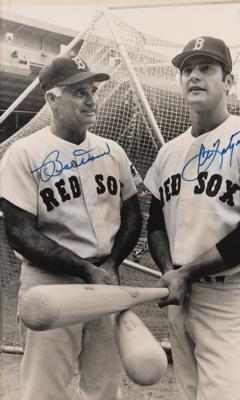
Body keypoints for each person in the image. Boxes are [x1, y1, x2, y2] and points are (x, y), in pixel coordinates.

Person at [144, 36, 240, 400]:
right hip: (181, 292)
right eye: (187, 69)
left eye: (207, 68)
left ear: (229, 81)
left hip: (232, 297)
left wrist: (185, 272)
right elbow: (156, 223)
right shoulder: (169, 152)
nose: (194, 76)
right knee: (189, 393)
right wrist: (171, 271)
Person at [0, 55, 142, 400]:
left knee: (105, 388)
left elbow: (134, 214)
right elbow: (20, 232)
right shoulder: (23, 153)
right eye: (79, 92)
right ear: (52, 98)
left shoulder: (113, 151)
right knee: (44, 390)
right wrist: (83, 269)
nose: (92, 99)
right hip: (51, 284)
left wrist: (110, 265)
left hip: (105, 281)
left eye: (93, 90)